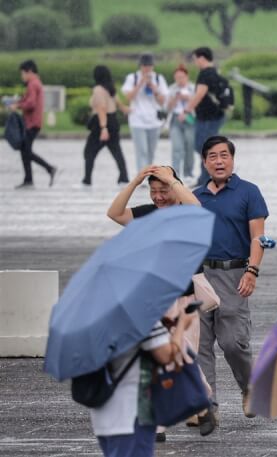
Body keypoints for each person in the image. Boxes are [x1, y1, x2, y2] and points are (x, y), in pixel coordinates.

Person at [106, 165, 211, 440]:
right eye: (153, 191)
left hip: (184, 298)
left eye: (163, 190)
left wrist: (170, 180)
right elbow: (114, 213)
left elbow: (197, 207)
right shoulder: (147, 214)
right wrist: (135, 182)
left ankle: (203, 401)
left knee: (184, 355)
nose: (158, 196)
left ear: (175, 187)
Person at [192, 135, 269, 431]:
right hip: (199, 276)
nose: (219, 161)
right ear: (204, 162)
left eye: (224, 155)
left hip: (235, 274)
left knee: (233, 342)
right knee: (200, 345)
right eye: (212, 156)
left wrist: (252, 271)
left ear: (232, 159)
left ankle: (249, 387)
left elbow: (258, 237)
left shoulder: (249, 192)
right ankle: (207, 406)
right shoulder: (194, 196)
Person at [89, 310, 194, 457]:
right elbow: (166, 355)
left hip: (103, 414)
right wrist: (182, 324)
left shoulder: (97, 320)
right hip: (133, 414)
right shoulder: (141, 316)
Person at [10, 59, 57, 189]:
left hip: (32, 123)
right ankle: (29, 179)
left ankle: (49, 168)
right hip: (33, 122)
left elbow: (31, 104)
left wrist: (18, 106)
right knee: (25, 151)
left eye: (23, 74)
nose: (22, 77)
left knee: (26, 151)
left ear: (29, 71)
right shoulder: (36, 83)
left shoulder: (33, 84)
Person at [184, 47, 226, 187]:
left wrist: (187, 109)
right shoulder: (215, 71)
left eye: (195, 59)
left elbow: (200, 93)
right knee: (206, 147)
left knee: (203, 147)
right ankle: (206, 176)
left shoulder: (205, 74)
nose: (195, 62)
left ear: (202, 58)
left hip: (207, 117)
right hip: (216, 115)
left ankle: (209, 177)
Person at [82, 65, 130, 186]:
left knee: (89, 152)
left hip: (101, 123)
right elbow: (117, 102)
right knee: (117, 151)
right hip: (113, 121)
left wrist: (103, 128)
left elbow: (101, 108)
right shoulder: (110, 88)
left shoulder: (98, 89)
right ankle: (124, 177)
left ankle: (87, 180)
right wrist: (124, 109)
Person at [122, 53, 169, 174]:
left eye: (150, 66)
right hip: (137, 120)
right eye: (145, 66)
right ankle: (141, 175)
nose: (147, 68)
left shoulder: (158, 78)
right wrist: (141, 83)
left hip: (154, 120)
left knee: (150, 151)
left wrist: (154, 88)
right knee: (141, 150)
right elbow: (129, 97)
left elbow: (163, 100)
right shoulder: (132, 78)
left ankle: (149, 174)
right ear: (140, 66)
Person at [166, 64, 196, 179]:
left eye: (182, 77)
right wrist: (175, 98)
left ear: (187, 77)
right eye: (177, 77)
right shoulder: (172, 89)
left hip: (190, 118)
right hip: (176, 118)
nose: (180, 80)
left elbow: (197, 102)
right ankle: (175, 173)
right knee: (177, 147)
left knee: (190, 146)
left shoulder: (193, 88)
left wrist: (188, 98)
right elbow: (167, 107)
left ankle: (188, 172)